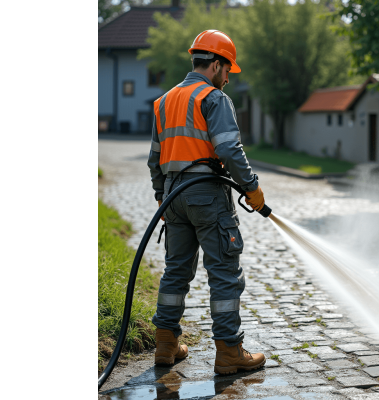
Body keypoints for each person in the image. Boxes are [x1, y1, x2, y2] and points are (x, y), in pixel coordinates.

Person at [146, 29, 267, 375]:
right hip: (206, 194)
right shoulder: (213, 99)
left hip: (172, 196)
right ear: (215, 64)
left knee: (176, 270)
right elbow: (229, 148)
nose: (228, 78)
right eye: (227, 69)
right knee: (224, 272)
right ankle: (229, 352)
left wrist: (160, 195)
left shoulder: (164, 101)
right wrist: (252, 187)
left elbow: (155, 158)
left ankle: (166, 345)